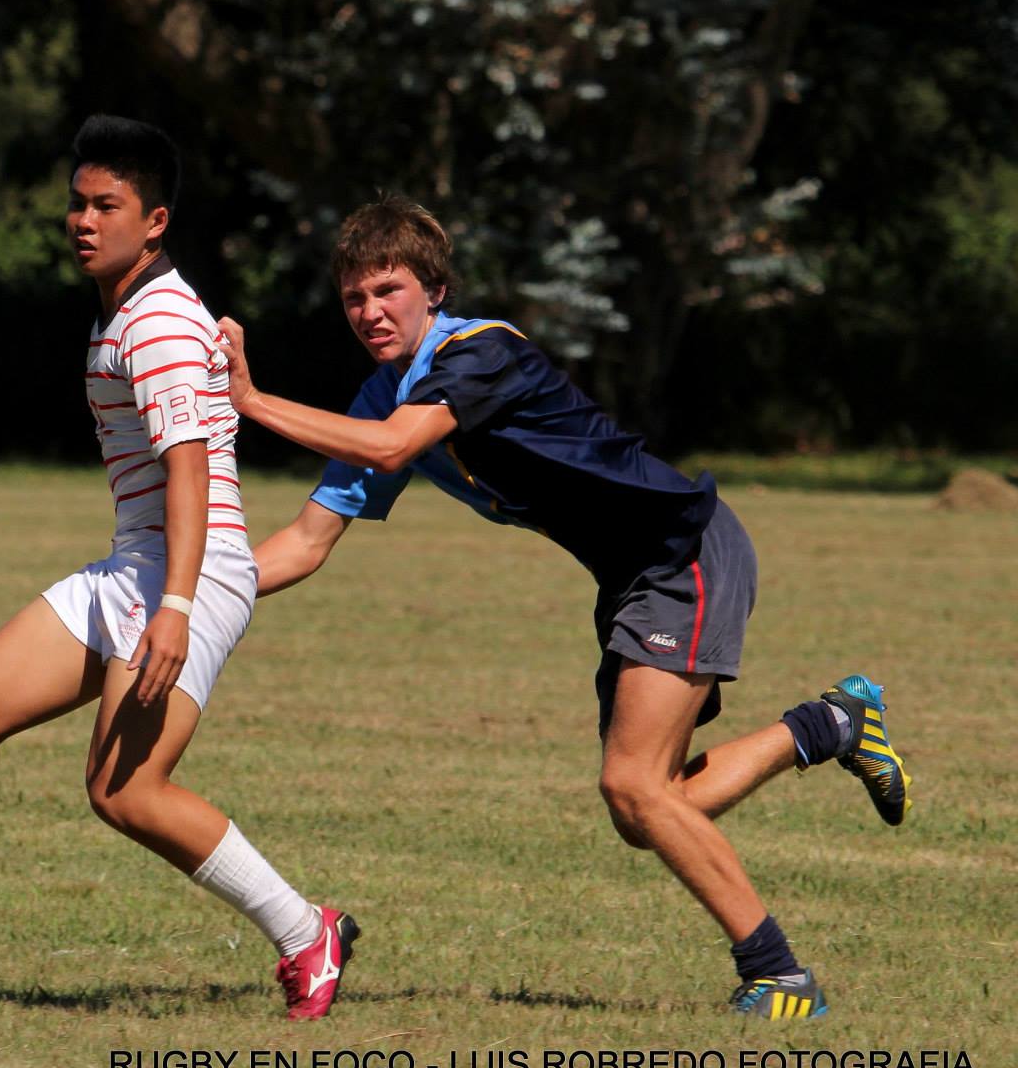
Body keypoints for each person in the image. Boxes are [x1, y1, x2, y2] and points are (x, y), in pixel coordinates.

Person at [218, 193, 910, 1018]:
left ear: (433, 289)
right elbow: (304, 541)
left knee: (632, 786)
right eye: (354, 297)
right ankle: (833, 724)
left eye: (388, 290)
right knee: (645, 805)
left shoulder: (480, 352)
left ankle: (781, 976)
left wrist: (251, 401)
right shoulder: (380, 398)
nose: (370, 311)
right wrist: (187, 597)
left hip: (682, 549)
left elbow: (398, 446)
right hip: (632, 574)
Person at [0, 116, 358, 1020]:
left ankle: (304, 930)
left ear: (156, 219)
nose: (83, 221)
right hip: (139, 567)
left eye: (107, 205)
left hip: (185, 575)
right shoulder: (126, 308)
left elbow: (192, 469)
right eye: (76, 203)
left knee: (125, 791)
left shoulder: (163, 319)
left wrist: (173, 604)